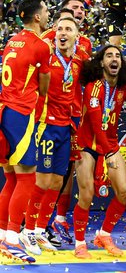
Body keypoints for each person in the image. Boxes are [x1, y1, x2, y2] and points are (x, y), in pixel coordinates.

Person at [21, 17, 89, 256]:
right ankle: (27, 230)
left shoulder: (80, 59)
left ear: (76, 36)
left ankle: (40, 229)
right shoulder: (46, 54)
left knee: (58, 181)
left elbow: (106, 71)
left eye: (68, 29)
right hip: (45, 124)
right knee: (42, 180)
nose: (62, 32)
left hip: (67, 126)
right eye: (59, 28)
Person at [71, 45, 126, 259]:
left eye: (118, 55)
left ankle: (104, 234)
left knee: (124, 192)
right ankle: (80, 242)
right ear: (101, 62)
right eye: (109, 55)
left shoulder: (124, 88)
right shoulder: (93, 87)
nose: (114, 59)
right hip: (87, 146)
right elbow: (95, 123)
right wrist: (108, 154)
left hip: (109, 145)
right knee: (86, 194)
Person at [0, 0, 51, 264]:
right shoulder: (41, 46)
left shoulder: (11, 41)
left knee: (10, 177)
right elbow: (43, 88)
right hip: (21, 114)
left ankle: (2, 235)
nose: (47, 14)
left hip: (5, 111)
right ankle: (11, 238)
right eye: (45, 11)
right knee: (26, 178)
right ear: (37, 17)